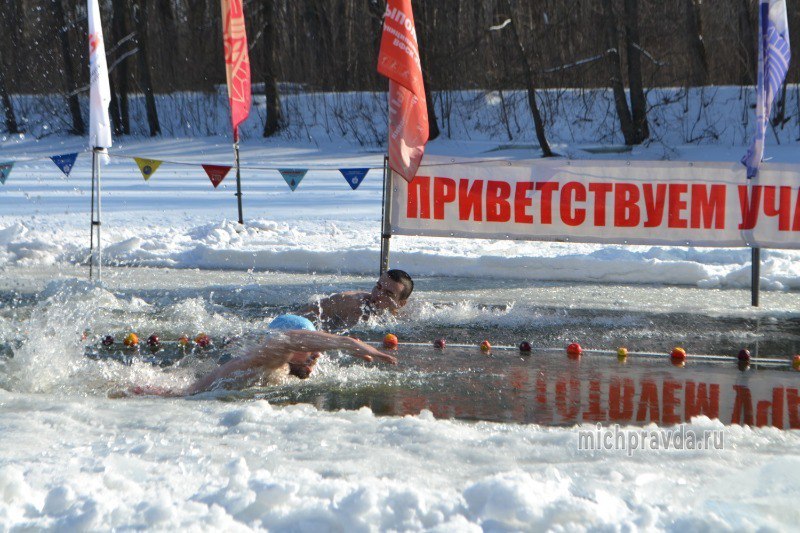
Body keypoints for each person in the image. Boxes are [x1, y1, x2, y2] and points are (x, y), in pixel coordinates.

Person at [114, 314, 396, 397]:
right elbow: (288, 339)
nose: (315, 356)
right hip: (169, 398)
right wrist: (345, 342)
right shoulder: (270, 361)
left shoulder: (281, 367)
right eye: (309, 348)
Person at [302, 269, 414, 328]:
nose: (378, 294)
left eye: (388, 294)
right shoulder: (354, 304)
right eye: (378, 287)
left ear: (400, 304)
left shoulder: (399, 316)